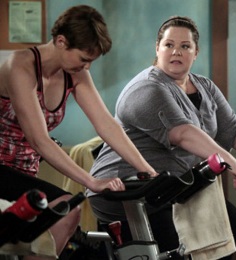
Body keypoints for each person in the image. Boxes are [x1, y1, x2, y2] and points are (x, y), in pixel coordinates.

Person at [87, 16, 236, 260]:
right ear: (157, 48)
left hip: (170, 190)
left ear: (196, 52)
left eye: (185, 46)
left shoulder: (204, 86)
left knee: (231, 222)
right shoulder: (147, 88)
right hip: (126, 188)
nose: (176, 52)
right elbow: (182, 133)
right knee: (184, 238)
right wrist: (230, 162)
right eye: (169, 45)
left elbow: (234, 129)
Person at [0, 5, 156, 260]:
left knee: (62, 213)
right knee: (66, 207)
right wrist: (91, 181)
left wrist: (146, 169)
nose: (88, 67)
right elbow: (39, 140)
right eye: (84, 58)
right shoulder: (21, 66)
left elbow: (106, 124)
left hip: (24, 172)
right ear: (61, 42)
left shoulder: (76, 73)